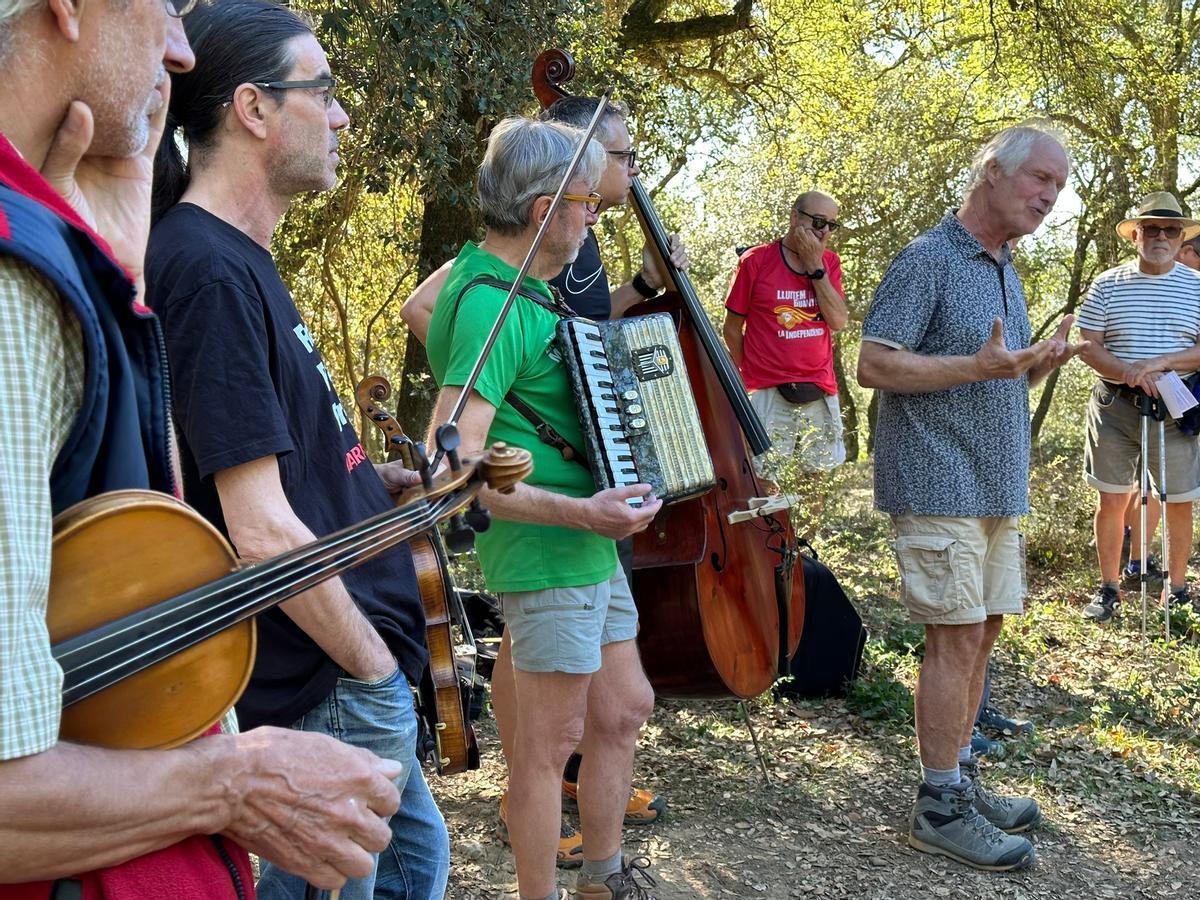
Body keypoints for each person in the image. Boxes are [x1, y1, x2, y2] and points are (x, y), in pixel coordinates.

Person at [0, 0, 405, 896]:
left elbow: (136, 540)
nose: (180, 50)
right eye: (169, 6)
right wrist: (234, 782)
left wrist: (122, 285)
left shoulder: (69, 252)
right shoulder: (13, 286)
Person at [146, 2, 448, 897]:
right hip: (323, 690)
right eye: (323, 90)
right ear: (253, 109)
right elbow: (261, 533)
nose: (342, 114)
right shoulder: (205, 270)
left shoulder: (238, 259)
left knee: (419, 863)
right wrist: (374, 673)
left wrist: (357, 481)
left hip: (342, 685)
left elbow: (276, 474)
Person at [400, 96, 681, 862]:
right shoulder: (497, 302)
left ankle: (604, 873)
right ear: (543, 208)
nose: (596, 218)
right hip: (553, 549)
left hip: (586, 544)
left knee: (624, 707)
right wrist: (586, 513)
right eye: (588, 204)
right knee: (550, 744)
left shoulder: (498, 278)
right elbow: (452, 469)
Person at [858, 124, 1082, 872]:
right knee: (953, 640)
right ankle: (938, 806)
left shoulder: (1005, 267)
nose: (1051, 197)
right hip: (936, 481)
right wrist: (980, 368)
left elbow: (995, 374)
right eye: (1040, 180)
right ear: (992, 172)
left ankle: (959, 777)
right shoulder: (927, 260)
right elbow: (873, 365)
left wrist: (1037, 363)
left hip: (995, 487)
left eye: (1058, 186)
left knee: (981, 634)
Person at [1077, 191, 1200, 623]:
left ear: (1181, 235)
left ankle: (1177, 591)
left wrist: (1161, 363)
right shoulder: (1107, 283)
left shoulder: (1197, 286)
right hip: (1115, 405)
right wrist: (1130, 372)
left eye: (1170, 229)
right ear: (1135, 234)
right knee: (1111, 499)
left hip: (1176, 408)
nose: (1161, 236)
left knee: (1180, 501)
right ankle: (1109, 588)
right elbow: (1087, 346)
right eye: (1151, 228)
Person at [722, 191, 849, 491]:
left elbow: (839, 321)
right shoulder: (755, 261)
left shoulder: (829, 263)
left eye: (832, 225)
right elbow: (731, 329)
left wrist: (815, 266)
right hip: (767, 391)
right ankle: (775, 537)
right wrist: (750, 375)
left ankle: (806, 539)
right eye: (818, 222)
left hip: (818, 388)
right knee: (763, 480)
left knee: (815, 483)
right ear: (795, 217)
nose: (825, 231)